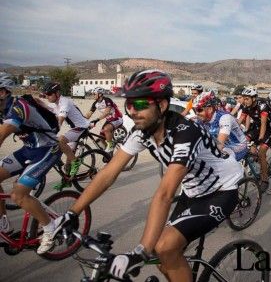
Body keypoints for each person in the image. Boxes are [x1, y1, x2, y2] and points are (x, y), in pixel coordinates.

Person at [52, 70, 242, 281]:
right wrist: (71, 213)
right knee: (163, 260)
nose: (132, 111)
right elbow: (108, 173)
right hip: (193, 190)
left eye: (140, 104)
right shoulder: (141, 132)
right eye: (129, 105)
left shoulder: (186, 132)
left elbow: (165, 194)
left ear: (161, 105)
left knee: (164, 247)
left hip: (221, 190)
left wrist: (139, 251)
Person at [0, 74, 63, 254]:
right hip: (29, 149)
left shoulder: (18, 107)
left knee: (18, 194)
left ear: (3, 92)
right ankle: (3, 223)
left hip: (47, 150)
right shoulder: (2, 109)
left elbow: (2, 133)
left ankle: (50, 227)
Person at [41, 82, 90, 179]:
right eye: (46, 95)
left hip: (80, 127)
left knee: (60, 140)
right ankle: (68, 178)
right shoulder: (56, 104)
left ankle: (76, 162)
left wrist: (52, 131)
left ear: (57, 93)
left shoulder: (64, 102)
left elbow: (60, 120)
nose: (47, 97)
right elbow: (47, 110)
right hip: (74, 128)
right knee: (67, 164)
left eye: (49, 94)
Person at [193, 91, 248, 161]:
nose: (197, 113)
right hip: (224, 145)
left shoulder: (224, 118)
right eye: (195, 110)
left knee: (218, 160)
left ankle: (236, 171)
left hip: (238, 146)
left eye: (199, 110)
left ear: (210, 109)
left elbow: (220, 145)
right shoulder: (200, 119)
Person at [240, 86, 271, 191]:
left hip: (268, 129)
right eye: (243, 98)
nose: (245, 101)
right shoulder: (246, 106)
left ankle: (265, 179)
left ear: (253, 98)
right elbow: (240, 120)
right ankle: (258, 164)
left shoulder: (262, 105)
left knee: (262, 152)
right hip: (256, 128)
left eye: (247, 99)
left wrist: (261, 138)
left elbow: (263, 123)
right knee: (245, 141)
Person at [85, 87, 123, 153]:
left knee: (106, 129)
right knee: (101, 138)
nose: (92, 95)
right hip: (109, 120)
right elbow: (89, 114)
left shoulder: (107, 100)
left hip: (117, 118)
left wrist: (97, 120)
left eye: (94, 94)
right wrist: (80, 119)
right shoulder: (95, 104)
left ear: (100, 94)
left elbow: (107, 112)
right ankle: (107, 153)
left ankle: (110, 145)